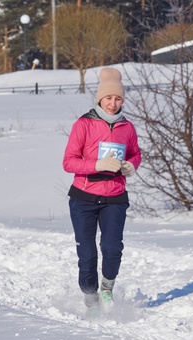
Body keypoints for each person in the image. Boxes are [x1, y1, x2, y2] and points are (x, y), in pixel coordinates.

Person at [63, 67, 141, 318]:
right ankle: (90, 297)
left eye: (118, 98)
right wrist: (97, 165)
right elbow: (68, 162)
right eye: (108, 98)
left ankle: (107, 288)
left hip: (115, 196)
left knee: (112, 247)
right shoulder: (84, 124)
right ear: (99, 99)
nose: (113, 103)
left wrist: (131, 165)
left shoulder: (127, 127)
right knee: (87, 252)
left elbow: (135, 153)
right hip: (84, 197)